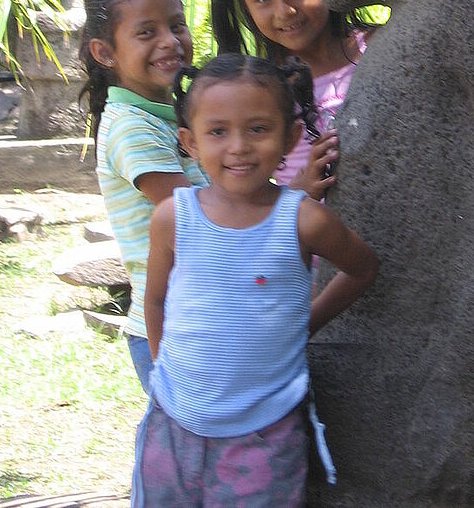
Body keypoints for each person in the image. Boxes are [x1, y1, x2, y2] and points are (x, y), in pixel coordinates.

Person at [133, 53, 378, 507]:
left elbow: (362, 267)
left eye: (258, 129)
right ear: (189, 141)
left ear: (288, 137)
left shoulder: (303, 220)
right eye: (218, 131)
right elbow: (155, 301)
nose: (239, 147)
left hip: (265, 433)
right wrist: (162, 379)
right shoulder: (174, 218)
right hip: (173, 424)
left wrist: (305, 324)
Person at [78, 0, 207, 393]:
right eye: (146, 32)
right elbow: (197, 218)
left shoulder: (170, 115)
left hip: (198, 315)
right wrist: (289, 200)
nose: (171, 42)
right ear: (105, 52)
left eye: (177, 24)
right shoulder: (133, 127)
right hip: (173, 327)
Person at [207, 0, 375, 198]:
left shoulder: (373, 46)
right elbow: (247, 186)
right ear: (247, 8)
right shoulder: (262, 90)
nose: (284, 10)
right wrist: (300, 191)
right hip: (313, 237)